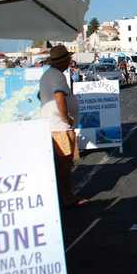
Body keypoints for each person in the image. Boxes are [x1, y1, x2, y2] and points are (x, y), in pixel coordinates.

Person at [39, 45, 87, 208]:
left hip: (51, 125)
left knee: (60, 165)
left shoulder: (47, 75)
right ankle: (67, 197)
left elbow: (40, 96)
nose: (69, 61)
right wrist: (66, 118)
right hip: (59, 127)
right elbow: (59, 97)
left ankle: (64, 196)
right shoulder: (58, 76)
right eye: (67, 58)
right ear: (63, 60)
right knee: (64, 166)